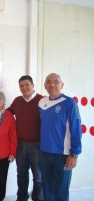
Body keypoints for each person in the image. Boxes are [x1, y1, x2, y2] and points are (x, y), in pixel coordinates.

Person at [38, 73, 82, 201]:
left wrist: (74, 154)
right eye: (49, 81)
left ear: (62, 85)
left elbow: (76, 128)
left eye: (56, 81)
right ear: (45, 85)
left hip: (63, 155)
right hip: (45, 153)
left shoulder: (70, 103)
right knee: (47, 191)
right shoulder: (41, 103)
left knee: (61, 193)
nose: (52, 84)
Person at [8, 75, 44, 201]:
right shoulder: (17, 101)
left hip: (37, 145)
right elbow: (7, 113)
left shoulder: (42, 100)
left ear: (33, 85)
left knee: (38, 177)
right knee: (21, 175)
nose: (24, 88)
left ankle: (38, 198)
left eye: (27, 85)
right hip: (20, 145)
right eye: (21, 86)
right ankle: (22, 198)